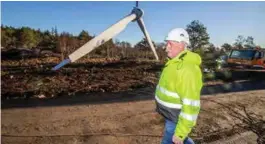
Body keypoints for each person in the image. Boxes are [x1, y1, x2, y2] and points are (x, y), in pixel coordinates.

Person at [155, 28, 203, 144]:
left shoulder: (187, 70)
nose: (166, 48)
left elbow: (191, 105)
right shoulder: (173, 63)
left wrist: (181, 133)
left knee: (170, 140)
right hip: (170, 115)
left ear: (181, 44)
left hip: (176, 118)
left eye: (170, 44)